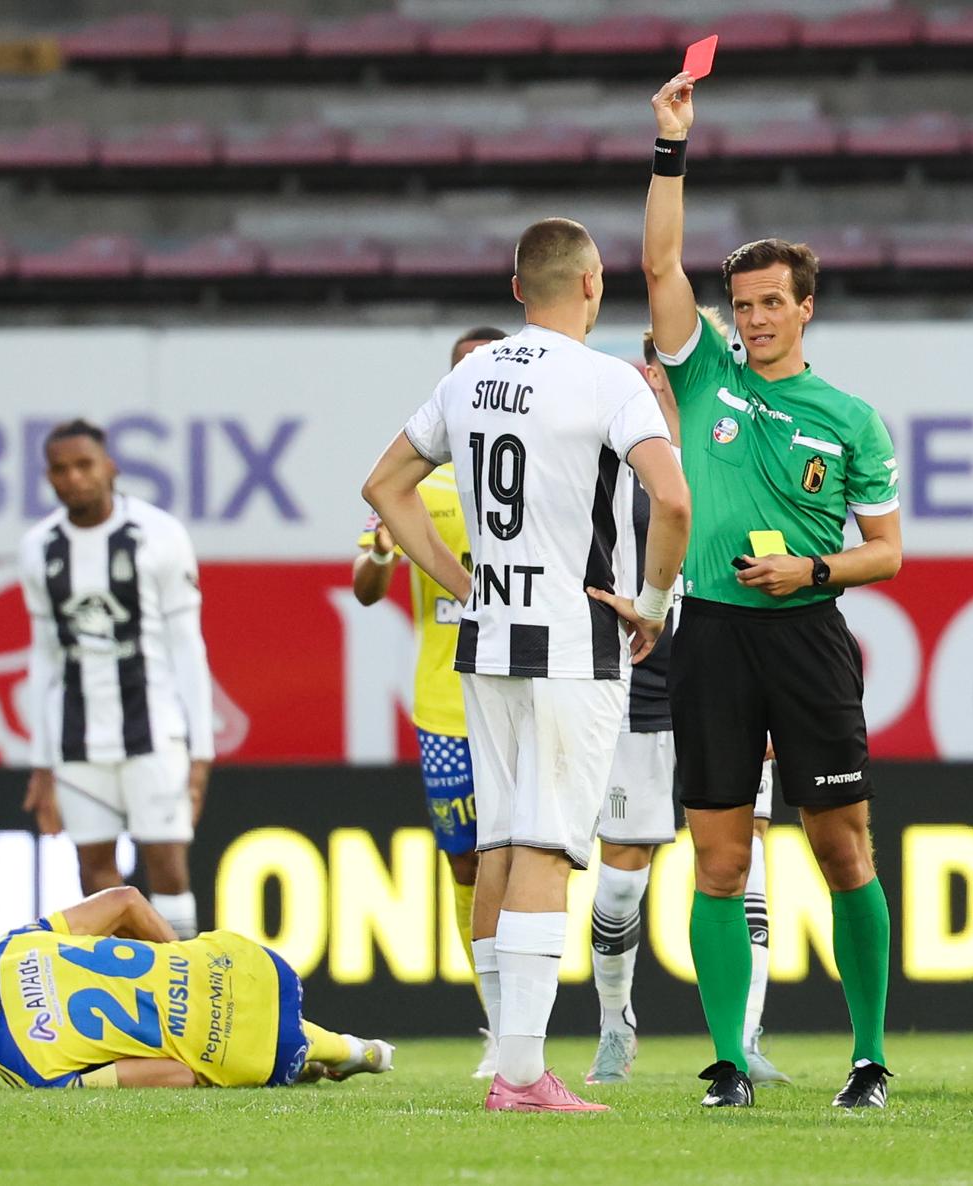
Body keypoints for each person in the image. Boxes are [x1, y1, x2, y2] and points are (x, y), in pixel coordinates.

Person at [362, 217, 691, 1113]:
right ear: (593, 285)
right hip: (569, 641)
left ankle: (512, 1058)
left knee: (505, 841)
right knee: (548, 845)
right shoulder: (607, 381)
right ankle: (520, 1076)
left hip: (485, 642)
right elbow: (673, 497)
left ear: (517, 290)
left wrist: (458, 579)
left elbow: (384, 486)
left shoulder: (470, 374)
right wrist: (654, 605)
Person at [643, 72, 903, 1110]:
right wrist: (671, 148)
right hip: (708, 633)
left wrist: (813, 569)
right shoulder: (703, 372)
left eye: (768, 305)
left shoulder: (851, 418)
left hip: (806, 633)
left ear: (805, 308)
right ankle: (727, 1060)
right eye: (740, 305)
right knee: (717, 855)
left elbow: (887, 552)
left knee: (843, 847)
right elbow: (660, 259)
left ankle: (870, 1055)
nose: (751, 320)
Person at [583, 324, 789, 1088]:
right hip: (636, 682)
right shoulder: (615, 451)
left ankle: (745, 1035)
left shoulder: (744, 444)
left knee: (748, 856)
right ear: (652, 367)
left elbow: (773, 557)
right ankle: (615, 1026)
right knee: (624, 872)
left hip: (730, 674)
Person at [353, 325, 508, 1079]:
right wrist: (382, 553)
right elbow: (367, 588)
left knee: (533, 856)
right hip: (446, 706)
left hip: (522, 694)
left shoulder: (538, 472)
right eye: (464, 370)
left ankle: (536, 1019)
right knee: (468, 867)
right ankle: (499, 1024)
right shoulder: (417, 481)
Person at [0, 887, 394, 1089]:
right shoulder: (2, 957)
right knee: (244, 1011)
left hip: (240, 1049)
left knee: (226, 1052)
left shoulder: (32, 1078)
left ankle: (342, 1051)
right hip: (246, 961)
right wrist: (181, 962)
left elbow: (178, 1074)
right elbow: (126, 901)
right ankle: (342, 1049)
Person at [19, 419, 215, 940]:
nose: (74, 478)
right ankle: (128, 991)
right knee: (95, 878)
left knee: (168, 866)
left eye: (84, 465)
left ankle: (185, 993)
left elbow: (187, 645)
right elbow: (44, 655)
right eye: (61, 470)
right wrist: (40, 763)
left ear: (110, 467)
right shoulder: (39, 548)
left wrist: (201, 750)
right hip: (78, 738)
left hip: (154, 732)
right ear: (49, 478)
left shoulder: (160, 535)